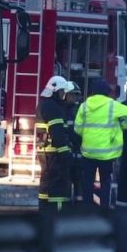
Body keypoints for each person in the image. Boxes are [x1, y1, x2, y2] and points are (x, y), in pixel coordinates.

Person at [74, 80, 127, 209]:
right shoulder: (113, 105)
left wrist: (88, 136)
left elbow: (77, 129)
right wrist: (123, 125)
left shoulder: (84, 106)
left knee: (88, 181)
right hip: (107, 153)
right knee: (105, 181)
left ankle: (87, 208)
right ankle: (104, 209)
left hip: (88, 152)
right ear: (107, 93)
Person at [35, 76, 71, 211]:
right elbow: (57, 133)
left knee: (45, 182)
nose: (63, 95)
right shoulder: (53, 108)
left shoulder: (43, 105)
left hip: (44, 151)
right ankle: (58, 212)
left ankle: (44, 209)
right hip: (54, 153)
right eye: (62, 91)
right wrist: (65, 154)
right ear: (55, 91)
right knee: (58, 185)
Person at [63, 81, 84, 203]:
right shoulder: (61, 109)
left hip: (79, 152)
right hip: (67, 153)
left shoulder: (80, 110)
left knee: (79, 181)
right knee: (66, 181)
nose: (76, 97)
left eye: (77, 95)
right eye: (73, 95)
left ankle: (78, 206)